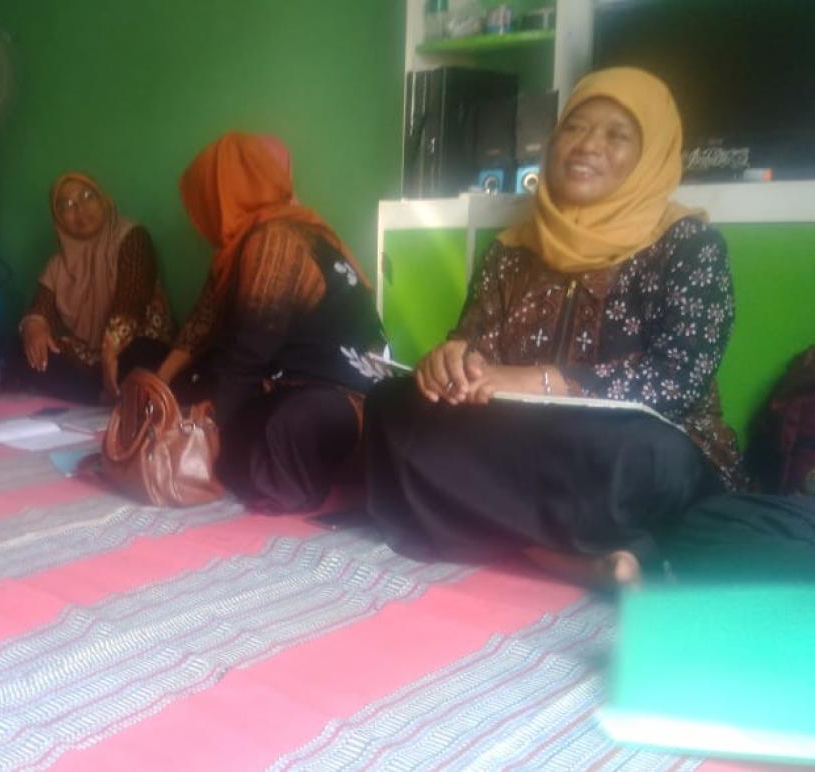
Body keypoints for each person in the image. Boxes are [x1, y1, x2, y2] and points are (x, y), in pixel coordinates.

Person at [361, 68, 745, 588]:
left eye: (616, 135)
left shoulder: (689, 247)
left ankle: (494, 528)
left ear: (652, 154)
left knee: (642, 459)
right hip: (523, 435)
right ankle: (573, 558)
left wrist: (542, 380)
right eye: (574, 128)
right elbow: (473, 346)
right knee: (392, 406)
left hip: (632, 443)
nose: (587, 146)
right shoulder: (512, 248)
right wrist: (449, 365)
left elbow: (678, 380)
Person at [155, 132, 388, 512]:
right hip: (293, 383)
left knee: (281, 424)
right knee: (189, 388)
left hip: (341, 399)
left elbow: (249, 351)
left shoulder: (274, 239)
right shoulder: (245, 245)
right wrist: (160, 383)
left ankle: (289, 467)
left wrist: (205, 427)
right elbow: (201, 324)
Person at [13, 172, 175, 404]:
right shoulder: (58, 265)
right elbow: (40, 309)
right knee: (21, 351)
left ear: (103, 199)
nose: (80, 209)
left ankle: (96, 392)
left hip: (133, 345)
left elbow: (131, 303)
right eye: (67, 205)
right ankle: (102, 393)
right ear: (58, 218)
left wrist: (111, 352)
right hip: (91, 356)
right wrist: (34, 328)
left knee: (142, 358)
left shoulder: (132, 237)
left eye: (88, 196)